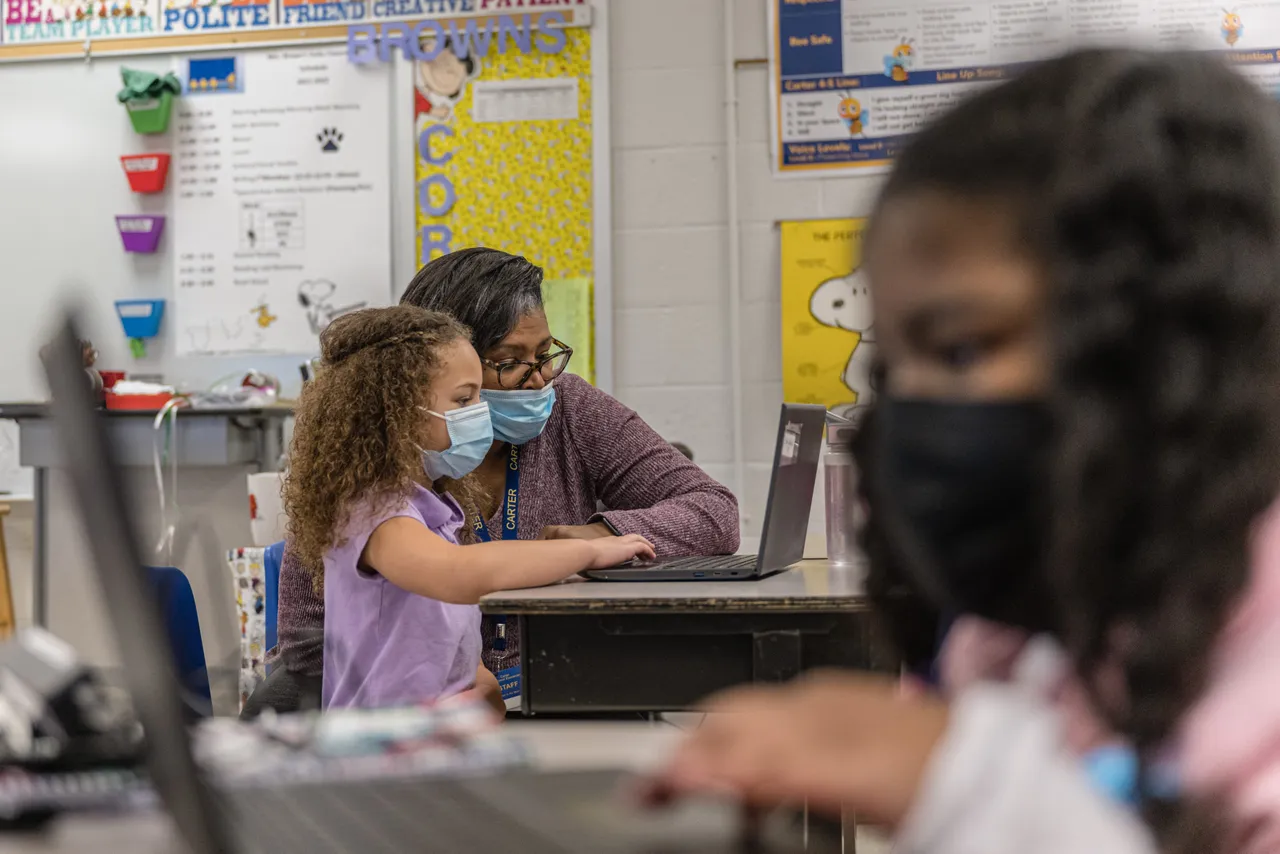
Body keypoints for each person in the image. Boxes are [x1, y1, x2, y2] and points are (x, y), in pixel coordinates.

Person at [643, 48, 1280, 854]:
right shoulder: (1011, 633)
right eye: (894, 365)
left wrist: (959, 774)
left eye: (960, 351)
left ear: (1177, 344)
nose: (912, 409)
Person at [274, 248, 740, 689]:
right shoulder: (369, 488)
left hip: (561, 686)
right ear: (413, 385)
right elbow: (312, 648)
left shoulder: (571, 409)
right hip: (414, 720)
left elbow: (715, 512)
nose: (538, 380)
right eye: (509, 363)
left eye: (544, 356)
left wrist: (602, 535)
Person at [283, 306, 655, 712]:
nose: (481, 411)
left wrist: (477, 679)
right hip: (382, 748)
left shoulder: (436, 509)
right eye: (464, 399)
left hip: (440, 736)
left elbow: (435, 628)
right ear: (396, 414)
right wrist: (588, 552)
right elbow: (456, 573)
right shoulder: (371, 510)